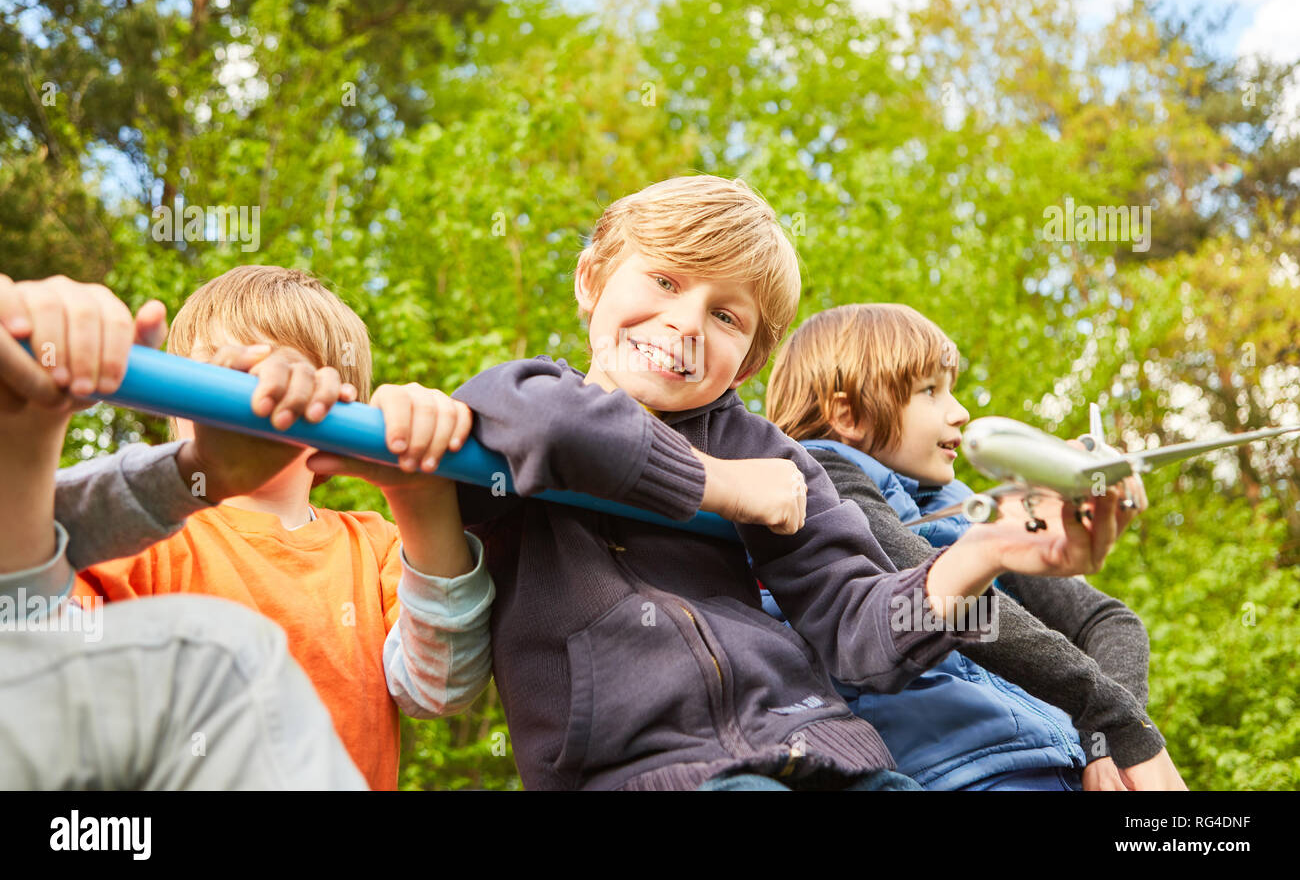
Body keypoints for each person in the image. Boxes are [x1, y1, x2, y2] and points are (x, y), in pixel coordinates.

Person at [447, 175, 1135, 791]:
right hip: (647, 769)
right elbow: (549, 430)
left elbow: (859, 627)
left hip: (835, 753)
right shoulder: (527, 395)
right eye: (665, 280)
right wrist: (716, 486)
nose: (686, 324)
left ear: (747, 364)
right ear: (591, 278)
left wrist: (981, 553)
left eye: (726, 316)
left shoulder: (774, 458)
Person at [0, 269, 493, 791]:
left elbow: (439, 688)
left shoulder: (375, 546)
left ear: (341, 406)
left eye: (286, 375)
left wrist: (422, 498)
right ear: (176, 403)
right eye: (221, 373)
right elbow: (41, 667)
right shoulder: (140, 542)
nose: (250, 393)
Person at [765, 302, 1187, 790]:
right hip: (959, 775)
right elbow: (961, 607)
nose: (960, 412)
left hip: (1055, 762)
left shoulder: (957, 501)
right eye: (930, 391)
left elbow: (1105, 619)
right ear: (848, 414)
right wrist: (1120, 722)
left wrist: (1104, 743)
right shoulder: (822, 485)